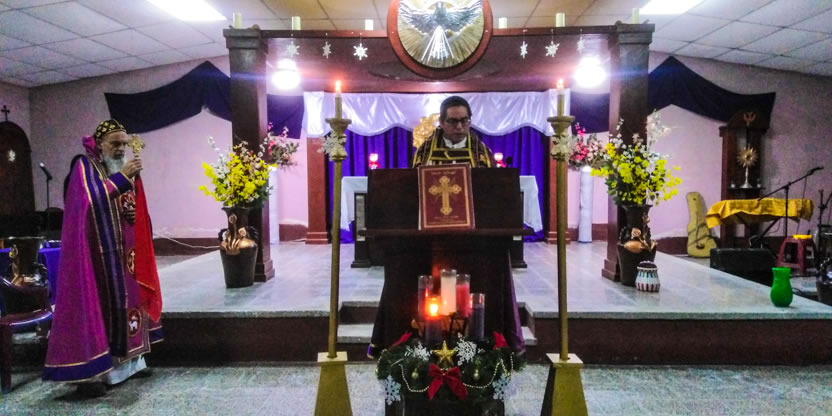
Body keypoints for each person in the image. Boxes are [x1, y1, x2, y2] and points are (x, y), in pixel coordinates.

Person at [43, 119, 163, 397]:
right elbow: (86, 204)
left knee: (129, 303)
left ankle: (132, 363)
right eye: (115, 144)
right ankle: (97, 373)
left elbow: (127, 205)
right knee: (100, 308)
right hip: (95, 258)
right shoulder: (84, 167)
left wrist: (133, 213)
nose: (121, 149)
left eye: (123, 144)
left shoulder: (120, 168)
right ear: (99, 145)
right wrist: (121, 179)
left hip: (124, 255)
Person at [412, 96, 494, 168]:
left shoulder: (481, 152)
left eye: (464, 120)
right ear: (441, 122)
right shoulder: (424, 152)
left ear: (469, 122)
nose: (459, 127)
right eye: (452, 121)